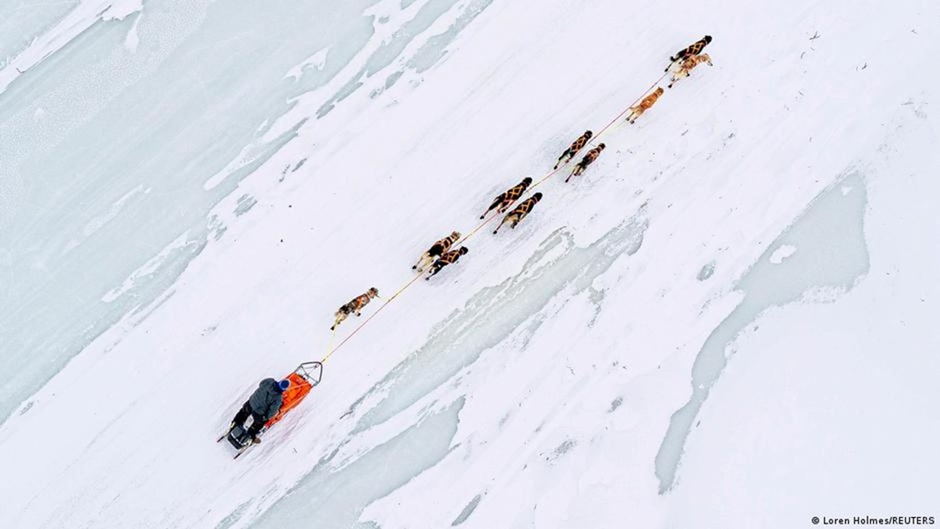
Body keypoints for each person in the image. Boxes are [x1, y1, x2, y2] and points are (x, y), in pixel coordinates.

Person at [229, 378, 289, 444]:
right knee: (259, 423)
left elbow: (261, 383)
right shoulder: (278, 398)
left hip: (250, 403)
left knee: (243, 412)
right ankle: (251, 436)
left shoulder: (269, 381)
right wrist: (266, 417)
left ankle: (234, 423)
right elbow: (272, 411)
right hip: (258, 413)